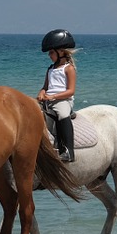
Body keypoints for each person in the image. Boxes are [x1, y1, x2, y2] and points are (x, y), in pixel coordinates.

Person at [37, 29, 77, 162]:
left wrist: (53, 97)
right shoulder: (50, 69)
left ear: (61, 52)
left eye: (51, 52)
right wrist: (42, 93)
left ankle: (68, 151)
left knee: (62, 114)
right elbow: (45, 87)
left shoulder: (68, 68)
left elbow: (71, 91)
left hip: (63, 100)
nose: (49, 55)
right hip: (48, 100)